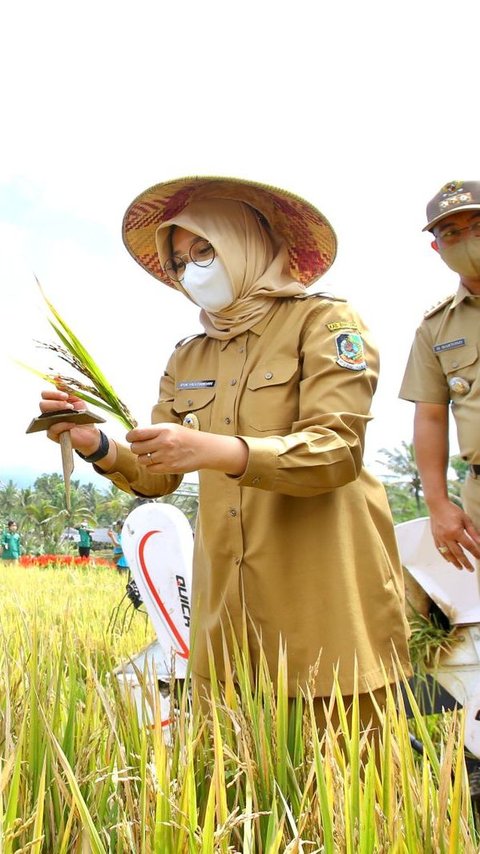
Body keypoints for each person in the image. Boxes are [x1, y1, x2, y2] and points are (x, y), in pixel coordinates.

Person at [37, 175, 411, 733]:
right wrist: (97, 444)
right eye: (180, 262)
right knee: (240, 779)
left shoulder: (325, 324)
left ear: (245, 243)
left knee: (345, 783)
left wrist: (217, 449)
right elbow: (157, 472)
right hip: (226, 610)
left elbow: (336, 451)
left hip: (322, 595)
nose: (191, 271)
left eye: (203, 250)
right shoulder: (188, 357)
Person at [400, 180, 480, 573]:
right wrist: (438, 505)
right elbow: (430, 415)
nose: (467, 239)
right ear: (437, 247)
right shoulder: (436, 327)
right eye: (451, 233)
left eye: (478, 226)